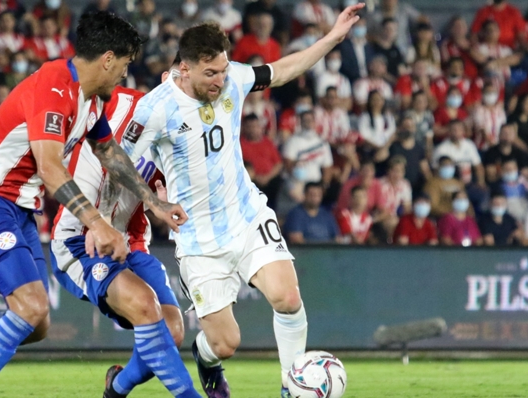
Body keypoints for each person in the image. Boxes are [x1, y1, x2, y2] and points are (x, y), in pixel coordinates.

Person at [0, 12, 190, 398]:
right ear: (108, 58)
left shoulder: (91, 100)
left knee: (35, 322)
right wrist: (96, 222)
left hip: (20, 210)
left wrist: (153, 203)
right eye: (126, 64)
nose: (125, 75)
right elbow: (49, 167)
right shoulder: (54, 87)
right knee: (29, 308)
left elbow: (110, 153)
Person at [122, 5, 364, 397]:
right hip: (199, 237)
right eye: (210, 73)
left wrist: (333, 37)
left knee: (287, 298)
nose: (221, 80)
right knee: (225, 344)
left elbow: (283, 69)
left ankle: (292, 385)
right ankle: (207, 359)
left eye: (223, 69)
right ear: (184, 69)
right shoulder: (155, 108)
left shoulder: (233, 77)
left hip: (246, 214)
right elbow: (117, 157)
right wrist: (154, 202)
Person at [52, 80, 197, 397]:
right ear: (172, 78)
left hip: (131, 244)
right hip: (79, 240)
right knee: (146, 305)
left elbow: (169, 202)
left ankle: (116, 388)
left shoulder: (183, 142)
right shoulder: (115, 107)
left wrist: (166, 199)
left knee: (172, 331)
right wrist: (93, 221)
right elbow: (72, 161)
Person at [282, 110, 333, 203]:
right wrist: (296, 170)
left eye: (310, 120)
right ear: (300, 122)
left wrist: (324, 186)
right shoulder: (292, 141)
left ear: (314, 122)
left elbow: (328, 168)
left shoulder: (322, 143)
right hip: (297, 184)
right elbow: (288, 164)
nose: (308, 123)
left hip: (315, 184)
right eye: (305, 120)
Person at [241, 113, 283, 210]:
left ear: (260, 127)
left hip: (270, 180)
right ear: (244, 128)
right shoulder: (240, 145)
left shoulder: (267, 142)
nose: (253, 129)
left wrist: (267, 177)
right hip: (251, 182)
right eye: (249, 127)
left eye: (255, 126)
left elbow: (278, 164)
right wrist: (256, 177)